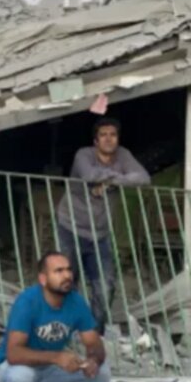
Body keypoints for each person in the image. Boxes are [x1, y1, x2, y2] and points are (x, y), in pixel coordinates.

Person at [0, 252, 111, 382]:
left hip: (48, 369)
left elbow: (94, 343)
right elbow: (14, 354)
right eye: (58, 271)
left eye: (68, 270)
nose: (67, 275)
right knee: (22, 378)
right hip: (13, 368)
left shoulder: (76, 302)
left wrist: (93, 360)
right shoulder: (27, 302)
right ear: (43, 279)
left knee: (102, 373)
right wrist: (56, 357)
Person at [56, 117, 150, 331]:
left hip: (100, 233)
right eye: (103, 135)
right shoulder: (84, 154)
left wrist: (107, 181)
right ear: (95, 141)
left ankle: (93, 332)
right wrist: (119, 177)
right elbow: (89, 175)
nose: (108, 139)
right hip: (71, 227)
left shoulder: (123, 155)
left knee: (105, 286)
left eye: (113, 135)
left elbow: (143, 178)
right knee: (67, 281)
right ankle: (64, 329)